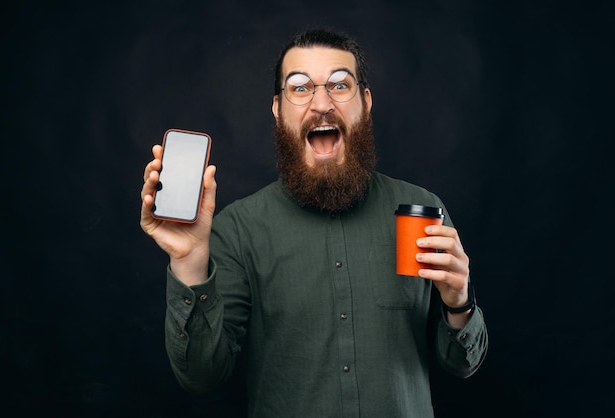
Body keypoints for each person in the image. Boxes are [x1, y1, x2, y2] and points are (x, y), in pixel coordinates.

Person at [140, 28, 488, 417]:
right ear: (277, 109)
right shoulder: (238, 229)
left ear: (366, 102)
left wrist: (460, 304)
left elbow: (462, 363)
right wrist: (188, 262)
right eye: (300, 87)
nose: (322, 103)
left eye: (340, 85)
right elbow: (201, 376)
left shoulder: (422, 209)